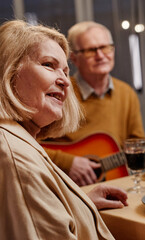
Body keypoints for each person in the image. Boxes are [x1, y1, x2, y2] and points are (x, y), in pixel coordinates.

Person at [0, 20, 128, 239]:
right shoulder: (16, 159)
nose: (65, 81)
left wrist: (78, 200)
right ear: (10, 72)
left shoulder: (20, 138)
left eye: (66, 70)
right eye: (49, 64)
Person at [43, 21, 145, 186]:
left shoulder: (126, 93)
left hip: (116, 185)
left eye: (105, 47)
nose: (100, 55)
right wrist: (68, 163)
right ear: (74, 59)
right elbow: (24, 145)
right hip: (64, 186)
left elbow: (141, 154)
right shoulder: (60, 91)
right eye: (91, 50)